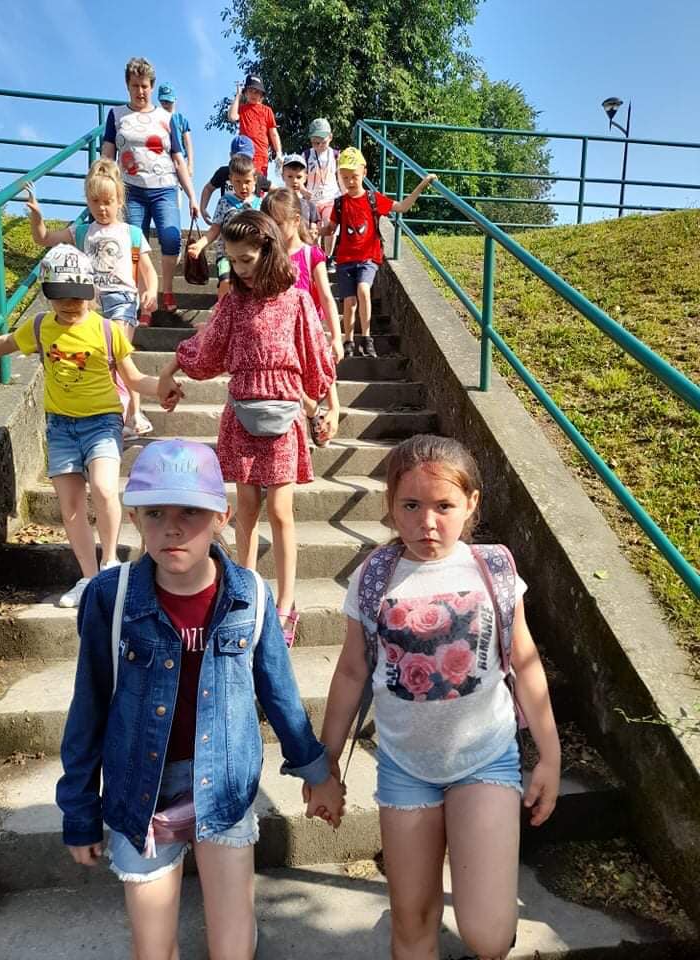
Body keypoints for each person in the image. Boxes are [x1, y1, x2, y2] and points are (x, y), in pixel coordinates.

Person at [56, 438, 345, 960]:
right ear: (135, 518)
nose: (172, 527)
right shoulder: (110, 597)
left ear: (221, 516)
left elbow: (279, 694)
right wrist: (79, 809)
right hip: (140, 790)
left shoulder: (250, 596)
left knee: (233, 946)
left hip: (224, 785)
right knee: (152, 948)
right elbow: (88, 707)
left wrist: (317, 773)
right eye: (156, 513)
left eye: (190, 511)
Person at [315, 434, 561, 960]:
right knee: (412, 922)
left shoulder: (494, 569)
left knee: (489, 937)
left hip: (485, 760)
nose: (427, 522)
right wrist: (325, 765)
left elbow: (524, 661)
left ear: (471, 504)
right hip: (405, 767)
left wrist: (550, 756)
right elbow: (352, 671)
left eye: (444, 506)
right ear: (390, 505)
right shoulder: (373, 577)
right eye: (411, 505)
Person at [158, 211, 336, 648]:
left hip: (284, 414)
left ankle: (286, 603)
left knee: (281, 510)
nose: (240, 269)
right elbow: (205, 347)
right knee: (248, 508)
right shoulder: (233, 303)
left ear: (269, 252)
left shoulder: (297, 300)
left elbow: (317, 356)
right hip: (242, 413)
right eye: (233, 261)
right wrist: (167, 371)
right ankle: (246, 592)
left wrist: (328, 404)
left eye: (247, 259)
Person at [0, 245, 180, 607]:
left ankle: (110, 563)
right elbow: (8, 342)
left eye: (77, 296)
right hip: (60, 426)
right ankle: (89, 577)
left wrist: (162, 387)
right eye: (60, 297)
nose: (70, 304)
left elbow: (134, 379)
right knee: (70, 505)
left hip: (102, 422)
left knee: (103, 488)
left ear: (91, 292)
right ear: (47, 294)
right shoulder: (40, 326)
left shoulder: (107, 330)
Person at [26, 159, 158, 441]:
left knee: (119, 356)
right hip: (89, 301)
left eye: (108, 202)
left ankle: (134, 414)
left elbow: (148, 270)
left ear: (120, 200)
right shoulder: (81, 231)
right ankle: (113, 413)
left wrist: (151, 290)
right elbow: (44, 239)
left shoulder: (132, 233)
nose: (102, 208)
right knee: (102, 360)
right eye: (95, 201)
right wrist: (37, 218)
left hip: (122, 298)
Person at [101, 57, 199, 315]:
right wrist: (102, 186)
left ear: (152, 86)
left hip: (164, 188)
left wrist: (192, 196)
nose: (140, 91)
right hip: (130, 190)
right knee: (136, 245)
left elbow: (178, 159)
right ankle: (145, 302)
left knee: (171, 238)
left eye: (144, 85)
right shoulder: (116, 115)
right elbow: (107, 156)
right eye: (135, 85)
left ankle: (166, 289)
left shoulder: (166, 117)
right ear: (127, 86)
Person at [320, 147, 437, 360]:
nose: (350, 181)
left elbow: (402, 207)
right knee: (349, 302)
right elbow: (330, 229)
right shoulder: (340, 203)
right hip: (345, 260)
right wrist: (312, 231)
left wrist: (422, 185)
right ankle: (348, 340)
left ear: (364, 173)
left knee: (363, 290)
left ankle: (366, 338)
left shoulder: (373, 199)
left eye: (354, 176)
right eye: (345, 177)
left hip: (368, 258)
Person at [261, 187, 341, 447]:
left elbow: (327, 297)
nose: (272, 231)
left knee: (321, 368)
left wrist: (337, 337)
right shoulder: (267, 257)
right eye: (268, 225)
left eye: (278, 224)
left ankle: (331, 411)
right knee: (289, 381)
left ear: (296, 221)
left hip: (309, 330)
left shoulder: (310, 253)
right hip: (280, 334)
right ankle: (311, 410)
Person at [188, 153, 262, 302]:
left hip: (251, 256)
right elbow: (215, 229)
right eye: (238, 182)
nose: (243, 186)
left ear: (255, 179)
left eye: (247, 181)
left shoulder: (260, 204)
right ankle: (222, 311)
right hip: (227, 255)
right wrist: (200, 245)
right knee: (225, 282)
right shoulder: (225, 202)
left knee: (252, 286)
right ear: (230, 180)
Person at [199, 135, 273, 223]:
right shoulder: (223, 173)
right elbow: (208, 188)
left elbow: (275, 190)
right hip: (229, 220)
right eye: (238, 158)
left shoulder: (256, 175)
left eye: (246, 158)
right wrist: (203, 208)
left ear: (252, 158)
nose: (241, 162)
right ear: (231, 156)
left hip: (251, 222)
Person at [228, 74, 282, 177]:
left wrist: (279, 153)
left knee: (259, 184)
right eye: (250, 91)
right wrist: (238, 95)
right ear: (245, 93)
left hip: (260, 155)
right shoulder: (242, 109)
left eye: (257, 92)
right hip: (243, 153)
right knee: (242, 181)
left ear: (261, 95)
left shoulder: (267, 111)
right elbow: (232, 117)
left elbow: (273, 133)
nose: (253, 94)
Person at [303, 118, 342, 259]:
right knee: (314, 230)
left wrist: (345, 194)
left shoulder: (336, 155)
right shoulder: (306, 155)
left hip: (330, 197)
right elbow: (300, 177)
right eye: (315, 142)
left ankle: (328, 257)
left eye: (323, 142)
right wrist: (303, 191)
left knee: (330, 225)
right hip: (312, 199)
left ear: (330, 138)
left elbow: (341, 177)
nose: (319, 146)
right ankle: (316, 257)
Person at [157, 81, 194, 208]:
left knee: (177, 194)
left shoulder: (181, 119)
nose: (166, 104)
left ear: (175, 100)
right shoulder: (157, 117)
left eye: (169, 101)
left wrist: (190, 164)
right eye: (163, 102)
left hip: (179, 161)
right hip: (162, 159)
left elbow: (188, 143)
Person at [281, 154, 320, 240]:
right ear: (283, 176)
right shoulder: (278, 202)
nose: (294, 180)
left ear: (305, 178)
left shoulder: (310, 204)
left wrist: (313, 233)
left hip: (304, 244)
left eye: (298, 177)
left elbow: (313, 230)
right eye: (290, 176)